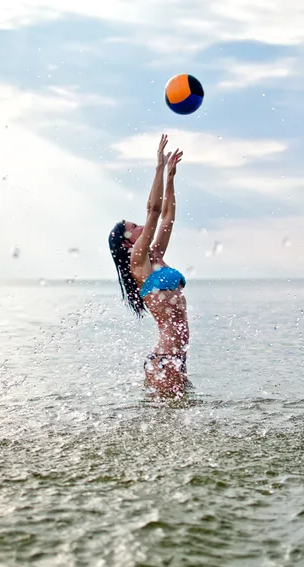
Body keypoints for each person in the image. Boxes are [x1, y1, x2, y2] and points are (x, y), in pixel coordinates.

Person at [108, 134, 190, 397]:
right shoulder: (137, 261)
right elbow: (153, 212)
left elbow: (167, 216)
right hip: (166, 358)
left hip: (175, 357)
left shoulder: (155, 254)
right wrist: (159, 167)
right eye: (134, 228)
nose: (141, 227)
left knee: (173, 427)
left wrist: (171, 179)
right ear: (126, 244)